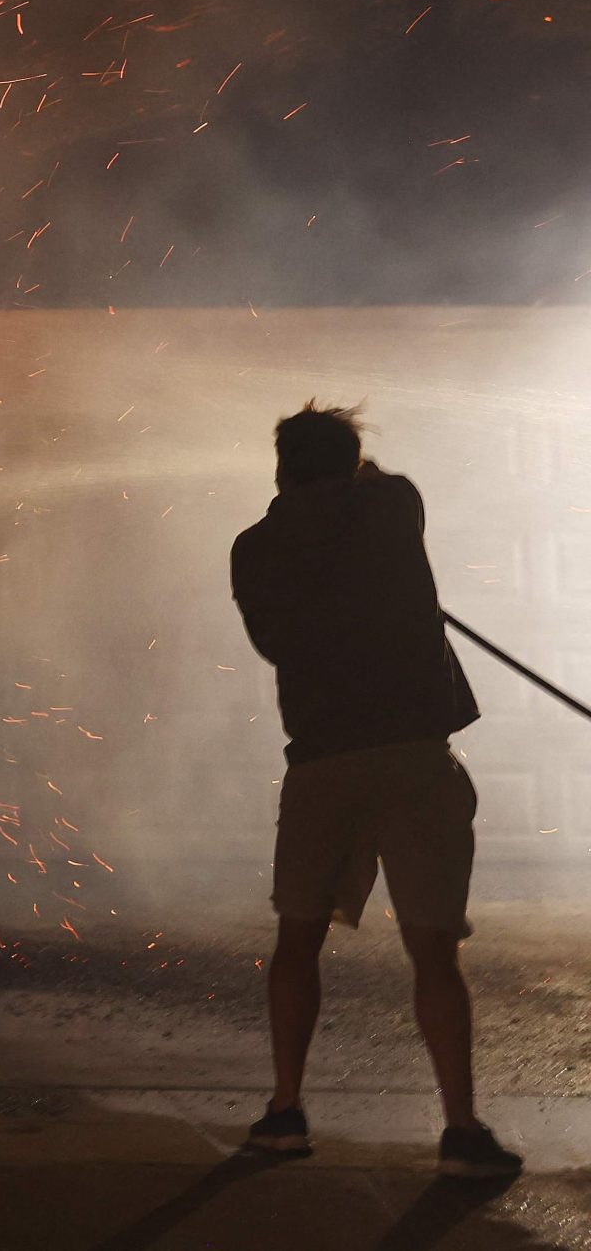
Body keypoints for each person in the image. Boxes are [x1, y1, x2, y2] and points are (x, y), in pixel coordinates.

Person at [229, 404, 521, 1176]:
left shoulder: (255, 549)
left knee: (298, 938)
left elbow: (270, 642)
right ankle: (461, 1130)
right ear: (352, 462)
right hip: (416, 759)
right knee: (434, 954)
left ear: (283, 467)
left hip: (324, 761)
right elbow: (378, 485)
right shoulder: (393, 508)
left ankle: (285, 1111)